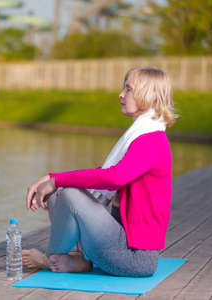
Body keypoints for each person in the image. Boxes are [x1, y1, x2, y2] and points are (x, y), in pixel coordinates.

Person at [23, 67, 177, 277]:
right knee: (59, 191)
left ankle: (51, 259)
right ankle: (76, 259)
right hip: (118, 243)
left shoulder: (152, 141)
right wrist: (52, 180)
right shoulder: (143, 136)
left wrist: (56, 180)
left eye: (128, 89)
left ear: (149, 95)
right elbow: (106, 173)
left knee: (68, 193)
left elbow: (114, 177)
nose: (121, 94)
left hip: (134, 257)